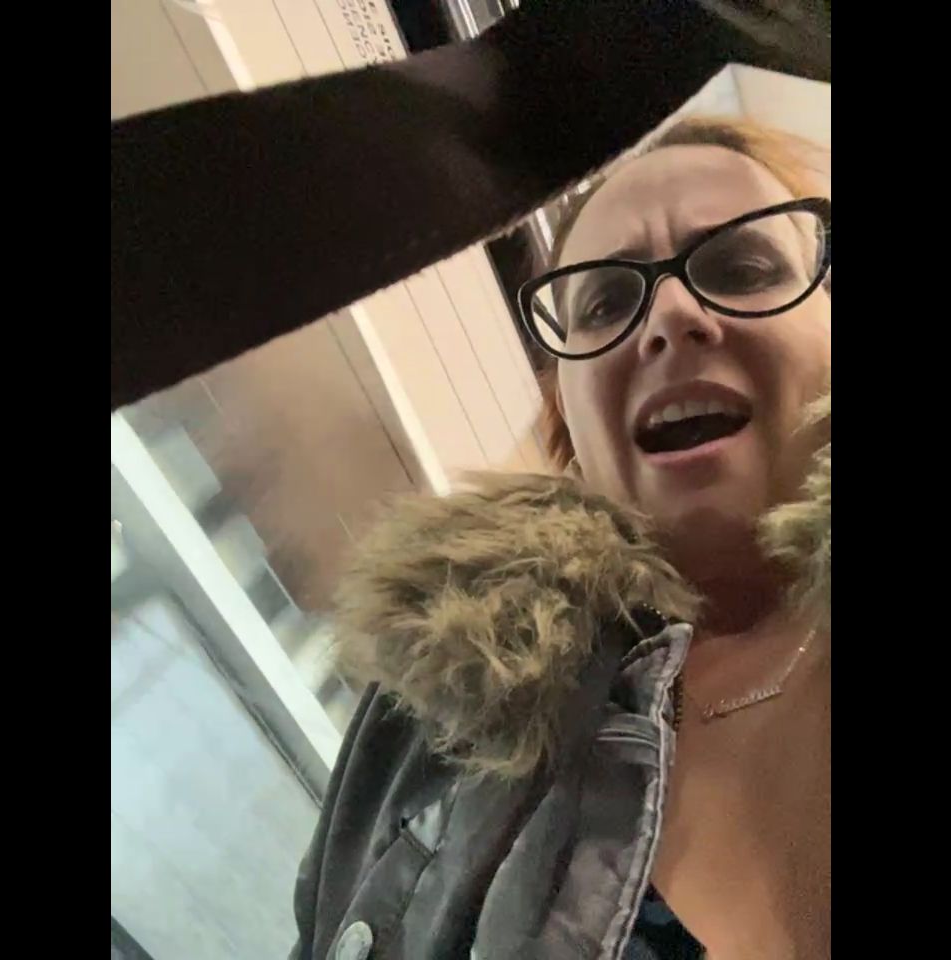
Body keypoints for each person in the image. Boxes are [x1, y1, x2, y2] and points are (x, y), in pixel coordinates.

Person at [291, 116, 831, 960]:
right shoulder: (438, 719)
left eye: (742, 268)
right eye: (606, 303)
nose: (670, 317)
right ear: (570, 424)